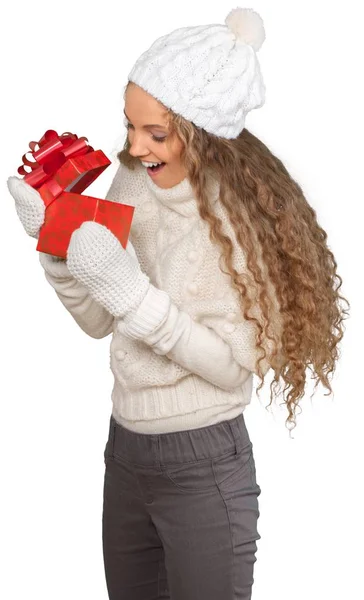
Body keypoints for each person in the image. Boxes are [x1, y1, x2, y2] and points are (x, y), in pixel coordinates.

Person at [7, 7, 349, 600]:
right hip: (126, 451)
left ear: (203, 131)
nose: (135, 147)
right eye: (131, 126)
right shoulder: (134, 184)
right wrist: (56, 248)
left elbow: (229, 365)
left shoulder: (242, 224)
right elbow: (97, 320)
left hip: (204, 463)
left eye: (156, 134)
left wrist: (133, 294)